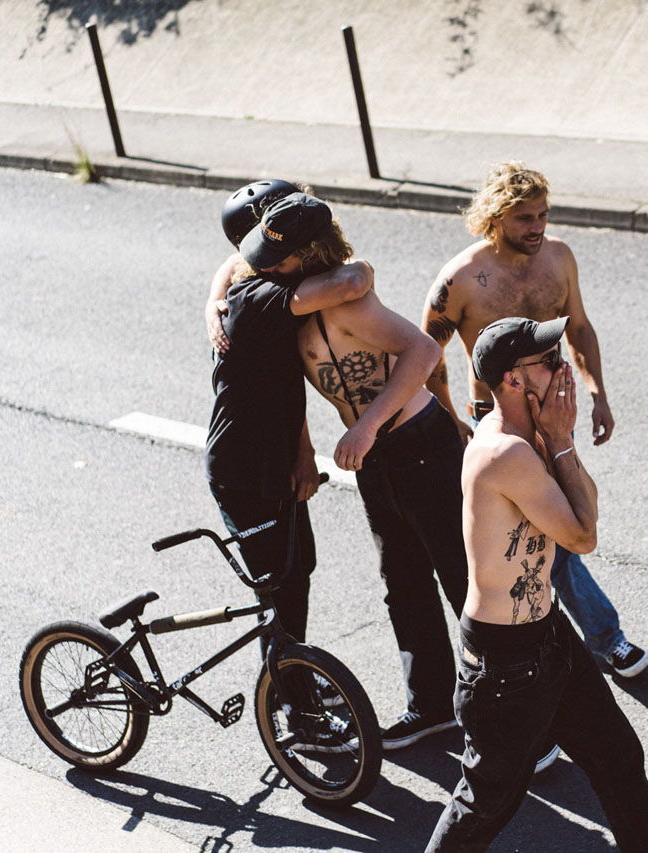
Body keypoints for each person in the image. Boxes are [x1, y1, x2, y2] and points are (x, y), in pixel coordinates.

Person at [205, 184, 484, 754]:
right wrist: (212, 298)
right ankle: (431, 706)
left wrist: (366, 425)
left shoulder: (349, 300)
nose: (258, 264)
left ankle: (525, 728)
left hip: (418, 443)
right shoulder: (283, 300)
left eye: (273, 256)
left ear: (306, 258)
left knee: (464, 580)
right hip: (376, 458)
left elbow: (425, 352)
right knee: (403, 586)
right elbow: (238, 266)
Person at [426, 317, 648, 852]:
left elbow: (589, 507)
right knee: (485, 802)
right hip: (505, 664)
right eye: (549, 361)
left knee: (618, 756)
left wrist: (559, 441)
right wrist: (560, 438)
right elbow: (582, 535)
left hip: (547, 633)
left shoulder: (533, 433)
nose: (563, 369)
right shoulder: (504, 452)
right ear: (512, 380)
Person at [421, 161, 648, 678]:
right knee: (553, 533)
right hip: (500, 421)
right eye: (525, 217)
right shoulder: (461, 277)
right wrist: (454, 419)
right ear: (496, 217)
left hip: (552, 411)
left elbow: (581, 329)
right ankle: (601, 640)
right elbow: (426, 354)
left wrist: (598, 394)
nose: (538, 226)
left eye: (544, 214)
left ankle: (562, 648)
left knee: (555, 527)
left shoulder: (559, 258)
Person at [205, 186, 371, 651]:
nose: (266, 261)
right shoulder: (257, 298)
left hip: (276, 459)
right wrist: (360, 265)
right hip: (243, 469)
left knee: (299, 571)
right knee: (279, 585)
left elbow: (283, 387)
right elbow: (352, 282)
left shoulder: (270, 286)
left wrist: (302, 453)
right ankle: (288, 700)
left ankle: (291, 675)